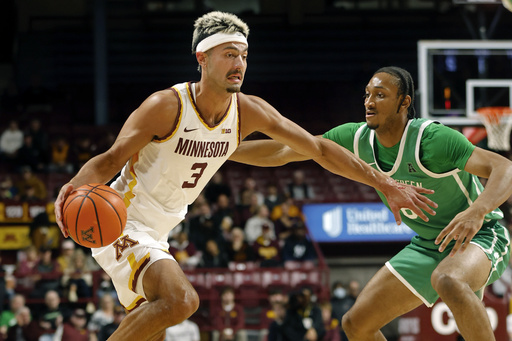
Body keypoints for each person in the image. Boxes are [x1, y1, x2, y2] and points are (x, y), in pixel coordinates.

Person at [54, 12, 435, 341]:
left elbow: (315, 149)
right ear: (202, 57)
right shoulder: (165, 106)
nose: (239, 63)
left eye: (244, 55)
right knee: (182, 301)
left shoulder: (249, 112)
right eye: (229, 54)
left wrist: (383, 183)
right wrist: (71, 190)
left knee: (153, 325)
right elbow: (110, 160)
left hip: (161, 231)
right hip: (123, 219)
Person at [232, 66, 512, 341]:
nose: (369, 101)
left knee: (448, 279)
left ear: (404, 102)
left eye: (380, 95)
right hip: (429, 245)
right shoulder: (356, 139)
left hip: (481, 236)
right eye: (367, 94)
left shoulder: (432, 140)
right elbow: (284, 151)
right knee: (356, 324)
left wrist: (477, 211)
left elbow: (504, 167)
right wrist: (223, 152)